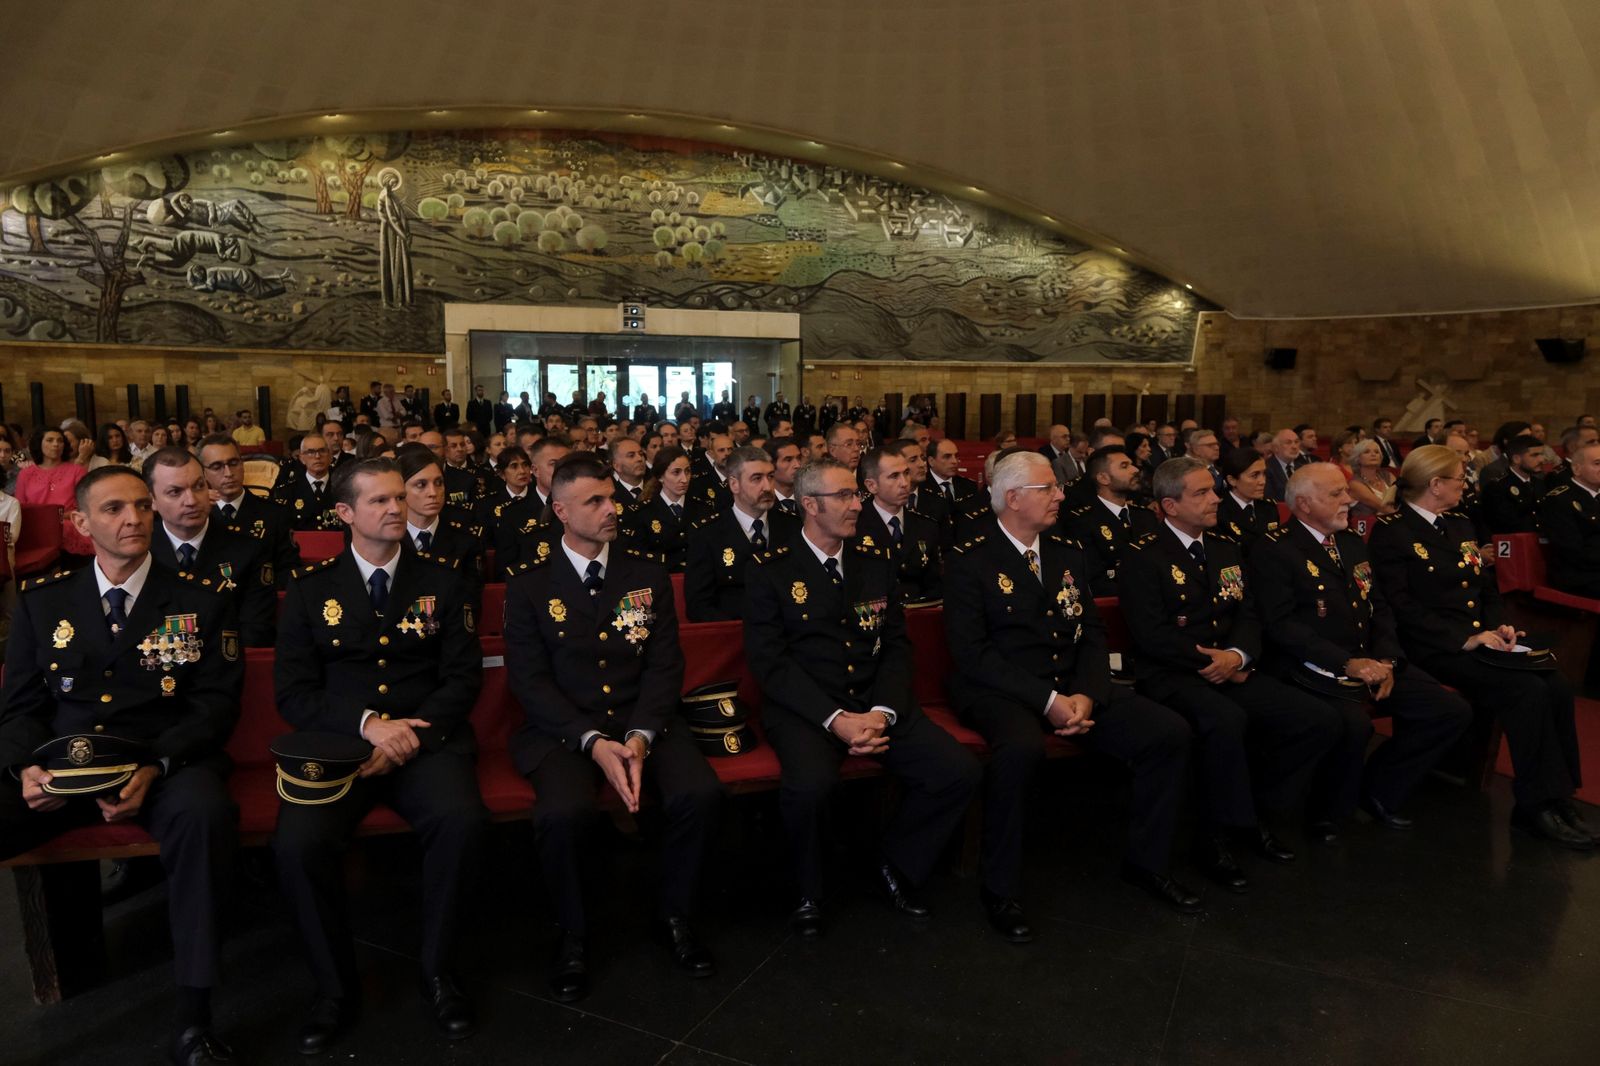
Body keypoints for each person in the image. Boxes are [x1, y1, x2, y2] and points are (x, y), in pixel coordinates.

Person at [1, 466, 243, 1066]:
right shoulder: (43, 602)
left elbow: (214, 705)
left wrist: (157, 764)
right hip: (62, 767)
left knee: (205, 814)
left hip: (162, 762)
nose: (132, 518)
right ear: (80, 524)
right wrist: (23, 769)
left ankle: (194, 1017)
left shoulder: (199, 600)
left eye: (140, 505)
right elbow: (23, 709)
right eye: (112, 509)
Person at [272, 458, 487, 1052]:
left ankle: (440, 972)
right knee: (297, 843)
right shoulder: (312, 590)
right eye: (379, 501)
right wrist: (370, 726)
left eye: (400, 498)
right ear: (344, 513)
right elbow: (293, 692)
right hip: (344, 748)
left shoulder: (444, 582)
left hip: (426, 739)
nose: (397, 508)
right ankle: (333, 988)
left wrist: (409, 736)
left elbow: (463, 678)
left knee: (461, 820)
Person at [944, 451, 1200, 927]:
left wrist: (1086, 694)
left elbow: (1091, 634)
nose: (1061, 495)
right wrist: (1049, 702)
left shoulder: (1066, 552)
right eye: (1049, 488)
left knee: (1168, 732)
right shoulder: (970, 560)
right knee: (1019, 749)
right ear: (1014, 497)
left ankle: (1147, 864)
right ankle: (999, 888)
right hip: (1001, 690)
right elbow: (975, 655)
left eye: (1059, 487)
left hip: (1071, 686)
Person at [504, 454, 723, 1000]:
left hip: (641, 720)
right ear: (560, 511)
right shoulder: (530, 586)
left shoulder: (645, 573)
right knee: (563, 812)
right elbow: (530, 683)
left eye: (611, 497)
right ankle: (573, 931)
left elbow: (665, 664)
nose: (611, 508)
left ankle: (674, 915)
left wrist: (641, 735)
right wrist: (592, 741)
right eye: (594, 501)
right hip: (565, 729)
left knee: (698, 793)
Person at [744, 458, 981, 938]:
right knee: (809, 787)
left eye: (856, 494)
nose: (858, 504)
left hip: (877, 702)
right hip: (809, 711)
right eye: (845, 497)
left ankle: (895, 864)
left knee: (958, 772)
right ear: (809, 505)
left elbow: (896, 646)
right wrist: (836, 719)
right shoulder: (771, 571)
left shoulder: (875, 562)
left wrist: (881, 712)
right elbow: (772, 665)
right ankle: (809, 889)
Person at [1122, 458, 1345, 887]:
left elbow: (1248, 613)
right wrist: (1214, 661)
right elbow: (1151, 635)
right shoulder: (1143, 555)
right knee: (1225, 721)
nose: (1215, 499)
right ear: (1170, 505)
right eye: (1201, 493)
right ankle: (1213, 835)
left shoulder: (1224, 546)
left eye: (1214, 490)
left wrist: (1239, 656)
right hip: (1173, 674)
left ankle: (1254, 809)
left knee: (1317, 719)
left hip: (1231, 667)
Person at [1371, 446, 1592, 849]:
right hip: (1432, 645)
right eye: (1459, 477)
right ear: (1435, 485)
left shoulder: (1459, 523)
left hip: (1477, 638)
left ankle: (1558, 796)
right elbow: (1400, 606)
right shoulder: (1394, 531)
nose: (1466, 484)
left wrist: (1498, 626)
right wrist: (1464, 638)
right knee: (1525, 692)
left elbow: (1483, 585)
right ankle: (1534, 806)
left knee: (1556, 684)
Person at [1252, 464, 1472, 829]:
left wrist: (1385, 659)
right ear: (1304, 505)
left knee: (1449, 710)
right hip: (1311, 666)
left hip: (1370, 659)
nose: (1348, 500)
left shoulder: (1352, 543)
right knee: (1353, 724)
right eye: (1336, 494)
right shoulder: (1275, 550)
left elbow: (1379, 607)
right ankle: (1327, 812)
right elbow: (1281, 626)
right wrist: (1349, 664)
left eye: (1346, 492)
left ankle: (1378, 789)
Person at [145, 446, 276, 647]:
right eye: (175, 492)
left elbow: (256, 631)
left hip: (225, 666)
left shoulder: (249, 550)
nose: (191, 501)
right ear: (152, 500)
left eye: (198, 486)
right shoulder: (140, 550)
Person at [684, 446, 798, 620]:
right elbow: (699, 606)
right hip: (735, 633)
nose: (767, 487)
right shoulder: (707, 534)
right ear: (734, 484)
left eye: (770, 477)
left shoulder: (793, 525)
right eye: (757, 478)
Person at [198, 434, 299, 587]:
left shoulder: (275, 514)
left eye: (233, 463)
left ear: (242, 464)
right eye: (217, 467)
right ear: (203, 473)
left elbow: (289, 570)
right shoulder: (198, 515)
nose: (228, 473)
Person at [1059, 445, 1158, 595]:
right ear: (1103, 478)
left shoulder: (1145, 516)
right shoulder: (1082, 521)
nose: (1135, 470)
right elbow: (1094, 580)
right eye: (1124, 466)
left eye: (1131, 464)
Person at [855, 446, 942, 604]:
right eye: (894, 476)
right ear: (871, 485)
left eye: (906, 473)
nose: (904, 483)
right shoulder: (855, 525)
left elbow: (935, 584)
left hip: (919, 612)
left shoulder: (926, 526)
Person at [396, 444, 486, 590]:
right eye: (421, 485)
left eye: (439, 483)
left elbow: (471, 596)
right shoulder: (385, 538)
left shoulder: (466, 538)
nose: (433, 492)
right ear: (401, 490)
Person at [1536, 438, 1600, 597]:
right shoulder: (1559, 500)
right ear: (1577, 469)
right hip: (1578, 576)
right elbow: (1572, 551)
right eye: (1597, 464)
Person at [620, 446, 696, 571]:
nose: (684, 479)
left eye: (687, 471)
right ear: (661, 476)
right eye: (676, 472)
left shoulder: (702, 508)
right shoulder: (643, 513)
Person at [1215, 446, 1279, 550]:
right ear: (1232, 480)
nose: (1262, 481)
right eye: (1254, 475)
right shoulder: (1219, 511)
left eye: (1264, 474)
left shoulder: (1269, 506)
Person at [274, 433, 341, 530]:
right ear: (302, 458)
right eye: (310, 452)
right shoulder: (286, 492)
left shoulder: (344, 489)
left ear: (330, 456)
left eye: (322, 451)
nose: (317, 456)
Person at [1480, 434, 1546, 534]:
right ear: (1516, 459)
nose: (1541, 459)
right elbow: (1500, 524)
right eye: (1535, 455)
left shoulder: (1541, 484)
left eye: (1542, 454)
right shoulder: (1498, 487)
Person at [1346, 439, 1397, 526]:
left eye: (1377, 452)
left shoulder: (1388, 476)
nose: (1373, 454)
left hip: (1392, 522)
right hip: (1368, 527)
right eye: (1367, 452)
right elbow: (1382, 507)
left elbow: (1400, 499)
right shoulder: (1354, 483)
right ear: (1357, 458)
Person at [926, 437, 981, 505]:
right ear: (931, 461)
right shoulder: (920, 487)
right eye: (947, 456)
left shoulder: (969, 486)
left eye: (956, 456)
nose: (954, 461)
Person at [1264, 428, 1306, 501]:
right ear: (1276, 448)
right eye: (1288, 442)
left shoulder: (1303, 469)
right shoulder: (1266, 468)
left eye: (1296, 442)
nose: (1294, 447)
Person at [608, 436, 648, 507]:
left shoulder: (658, 488)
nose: (639, 459)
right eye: (631, 455)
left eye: (641, 454)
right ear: (616, 465)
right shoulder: (611, 495)